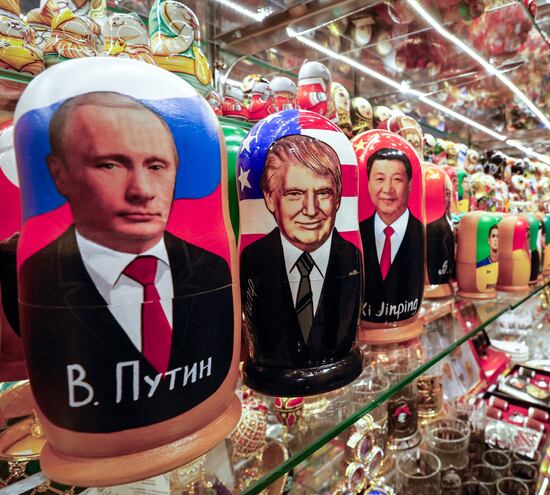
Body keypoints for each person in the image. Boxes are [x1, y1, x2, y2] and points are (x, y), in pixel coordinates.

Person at [18, 92, 233, 432]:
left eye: (156, 166)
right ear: (59, 174)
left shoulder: (212, 268)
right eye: (110, 165)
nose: (142, 190)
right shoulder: (38, 277)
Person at [240, 134, 361, 367]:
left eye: (323, 193)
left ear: (337, 199)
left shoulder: (351, 256)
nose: (310, 209)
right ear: (270, 198)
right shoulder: (253, 258)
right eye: (294, 194)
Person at [359, 147, 424, 323]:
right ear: (368, 183)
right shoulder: (357, 234)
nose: (388, 189)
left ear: (409, 184)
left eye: (397, 179)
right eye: (379, 179)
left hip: (407, 322)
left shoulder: (422, 233)